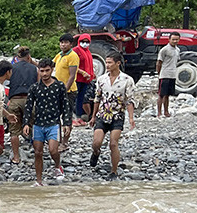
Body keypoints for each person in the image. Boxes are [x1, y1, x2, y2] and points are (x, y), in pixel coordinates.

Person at [87, 51, 136, 180]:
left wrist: (131, 118)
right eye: (106, 62)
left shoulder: (127, 80)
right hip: (102, 114)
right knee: (96, 142)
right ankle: (96, 153)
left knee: (113, 144)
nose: (107, 65)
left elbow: (130, 100)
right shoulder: (101, 79)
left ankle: (114, 171)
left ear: (118, 63)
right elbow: (97, 98)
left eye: (110, 62)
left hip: (118, 115)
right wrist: (93, 116)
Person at [22, 58, 68, 186]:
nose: (44, 74)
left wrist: (67, 123)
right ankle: (39, 180)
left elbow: (65, 105)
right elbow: (29, 106)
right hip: (38, 124)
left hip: (54, 123)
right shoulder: (34, 88)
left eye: (47, 70)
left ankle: (58, 166)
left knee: (53, 150)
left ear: (52, 69)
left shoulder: (59, 86)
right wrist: (26, 123)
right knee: (38, 152)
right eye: (42, 71)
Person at [5, 47, 38, 166]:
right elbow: (38, 85)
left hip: (14, 100)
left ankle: (16, 157)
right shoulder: (34, 68)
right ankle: (37, 154)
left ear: (17, 58)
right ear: (29, 57)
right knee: (34, 127)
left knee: (14, 131)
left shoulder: (11, 69)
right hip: (29, 101)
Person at [53, 35, 81, 147]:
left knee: (67, 116)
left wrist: (65, 90)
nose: (63, 45)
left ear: (71, 44)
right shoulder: (59, 55)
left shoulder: (73, 56)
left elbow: (72, 75)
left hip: (69, 91)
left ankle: (65, 142)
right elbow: (49, 66)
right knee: (56, 115)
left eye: (65, 42)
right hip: (58, 90)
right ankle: (57, 139)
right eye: (61, 43)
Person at [155, 32, 181, 118]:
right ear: (169, 39)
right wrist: (159, 74)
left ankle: (166, 111)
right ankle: (159, 113)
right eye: (173, 39)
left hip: (172, 75)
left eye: (176, 39)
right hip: (164, 74)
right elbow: (159, 62)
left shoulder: (177, 50)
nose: (175, 41)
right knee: (161, 94)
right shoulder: (164, 50)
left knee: (167, 95)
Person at [73, 36, 96, 123]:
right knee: (75, 97)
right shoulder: (76, 51)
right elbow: (73, 65)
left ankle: (79, 117)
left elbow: (89, 64)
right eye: (83, 41)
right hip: (78, 78)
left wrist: (92, 73)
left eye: (87, 41)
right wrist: (82, 72)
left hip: (86, 79)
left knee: (81, 98)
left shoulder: (87, 51)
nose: (85, 43)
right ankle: (74, 117)